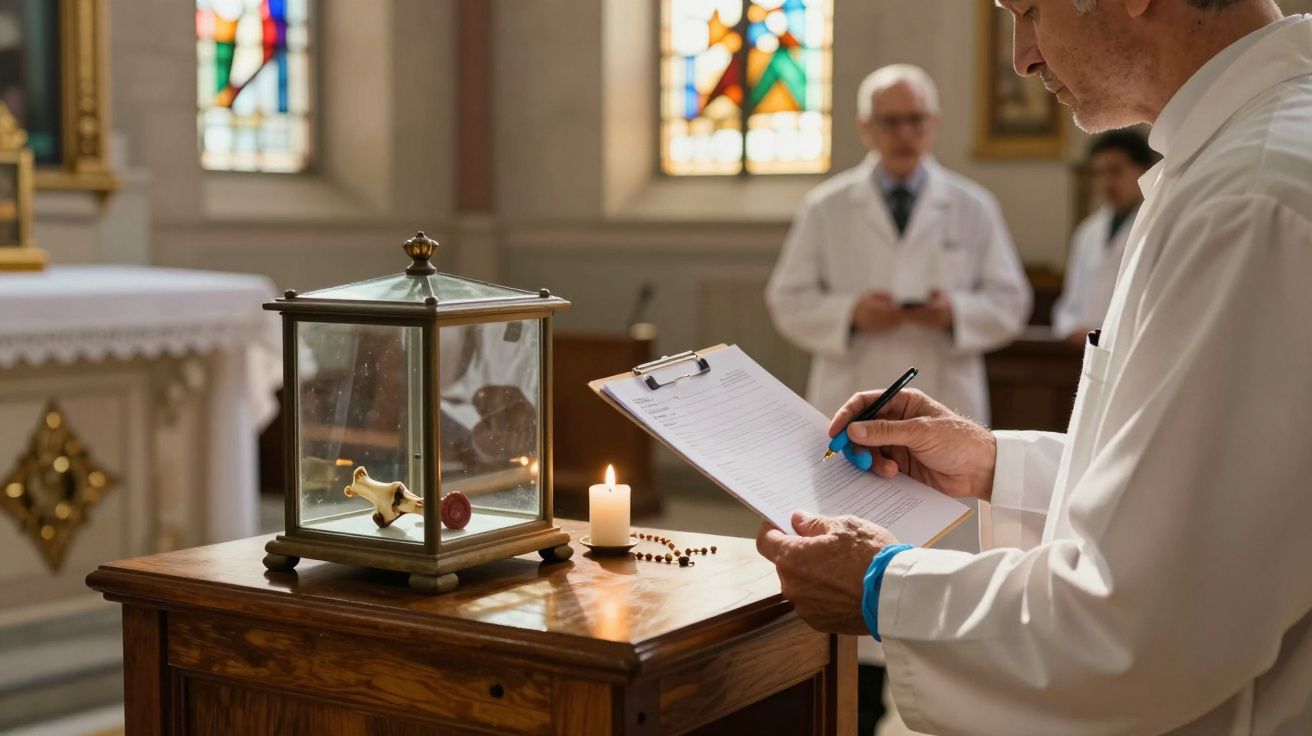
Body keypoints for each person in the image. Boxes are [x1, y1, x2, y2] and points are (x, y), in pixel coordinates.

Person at [756, 2, 1312, 734]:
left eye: (1028, 10)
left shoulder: (1250, 198)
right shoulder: (1228, 159)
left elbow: (1144, 627)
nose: (1021, 56)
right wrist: (993, 462)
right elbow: (1197, 493)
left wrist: (880, 586)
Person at [765, 64, 1031, 426]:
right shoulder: (826, 206)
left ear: (933, 123)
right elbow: (788, 300)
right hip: (851, 389)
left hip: (945, 393)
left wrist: (954, 313)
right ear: (865, 128)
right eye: (889, 122)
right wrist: (851, 314)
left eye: (915, 120)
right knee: (849, 480)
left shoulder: (974, 205)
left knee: (940, 481)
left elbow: (1011, 302)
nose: (904, 134)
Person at [1051, 130, 1159, 343]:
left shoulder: (1158, 223)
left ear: (1145, 170)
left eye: (1115, 171)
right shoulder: (1088, 232)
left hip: (1132, 346)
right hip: (1085, 350)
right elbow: (1070, 304)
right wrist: (1072, 329)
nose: (1107, 183)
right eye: (1099, 173)